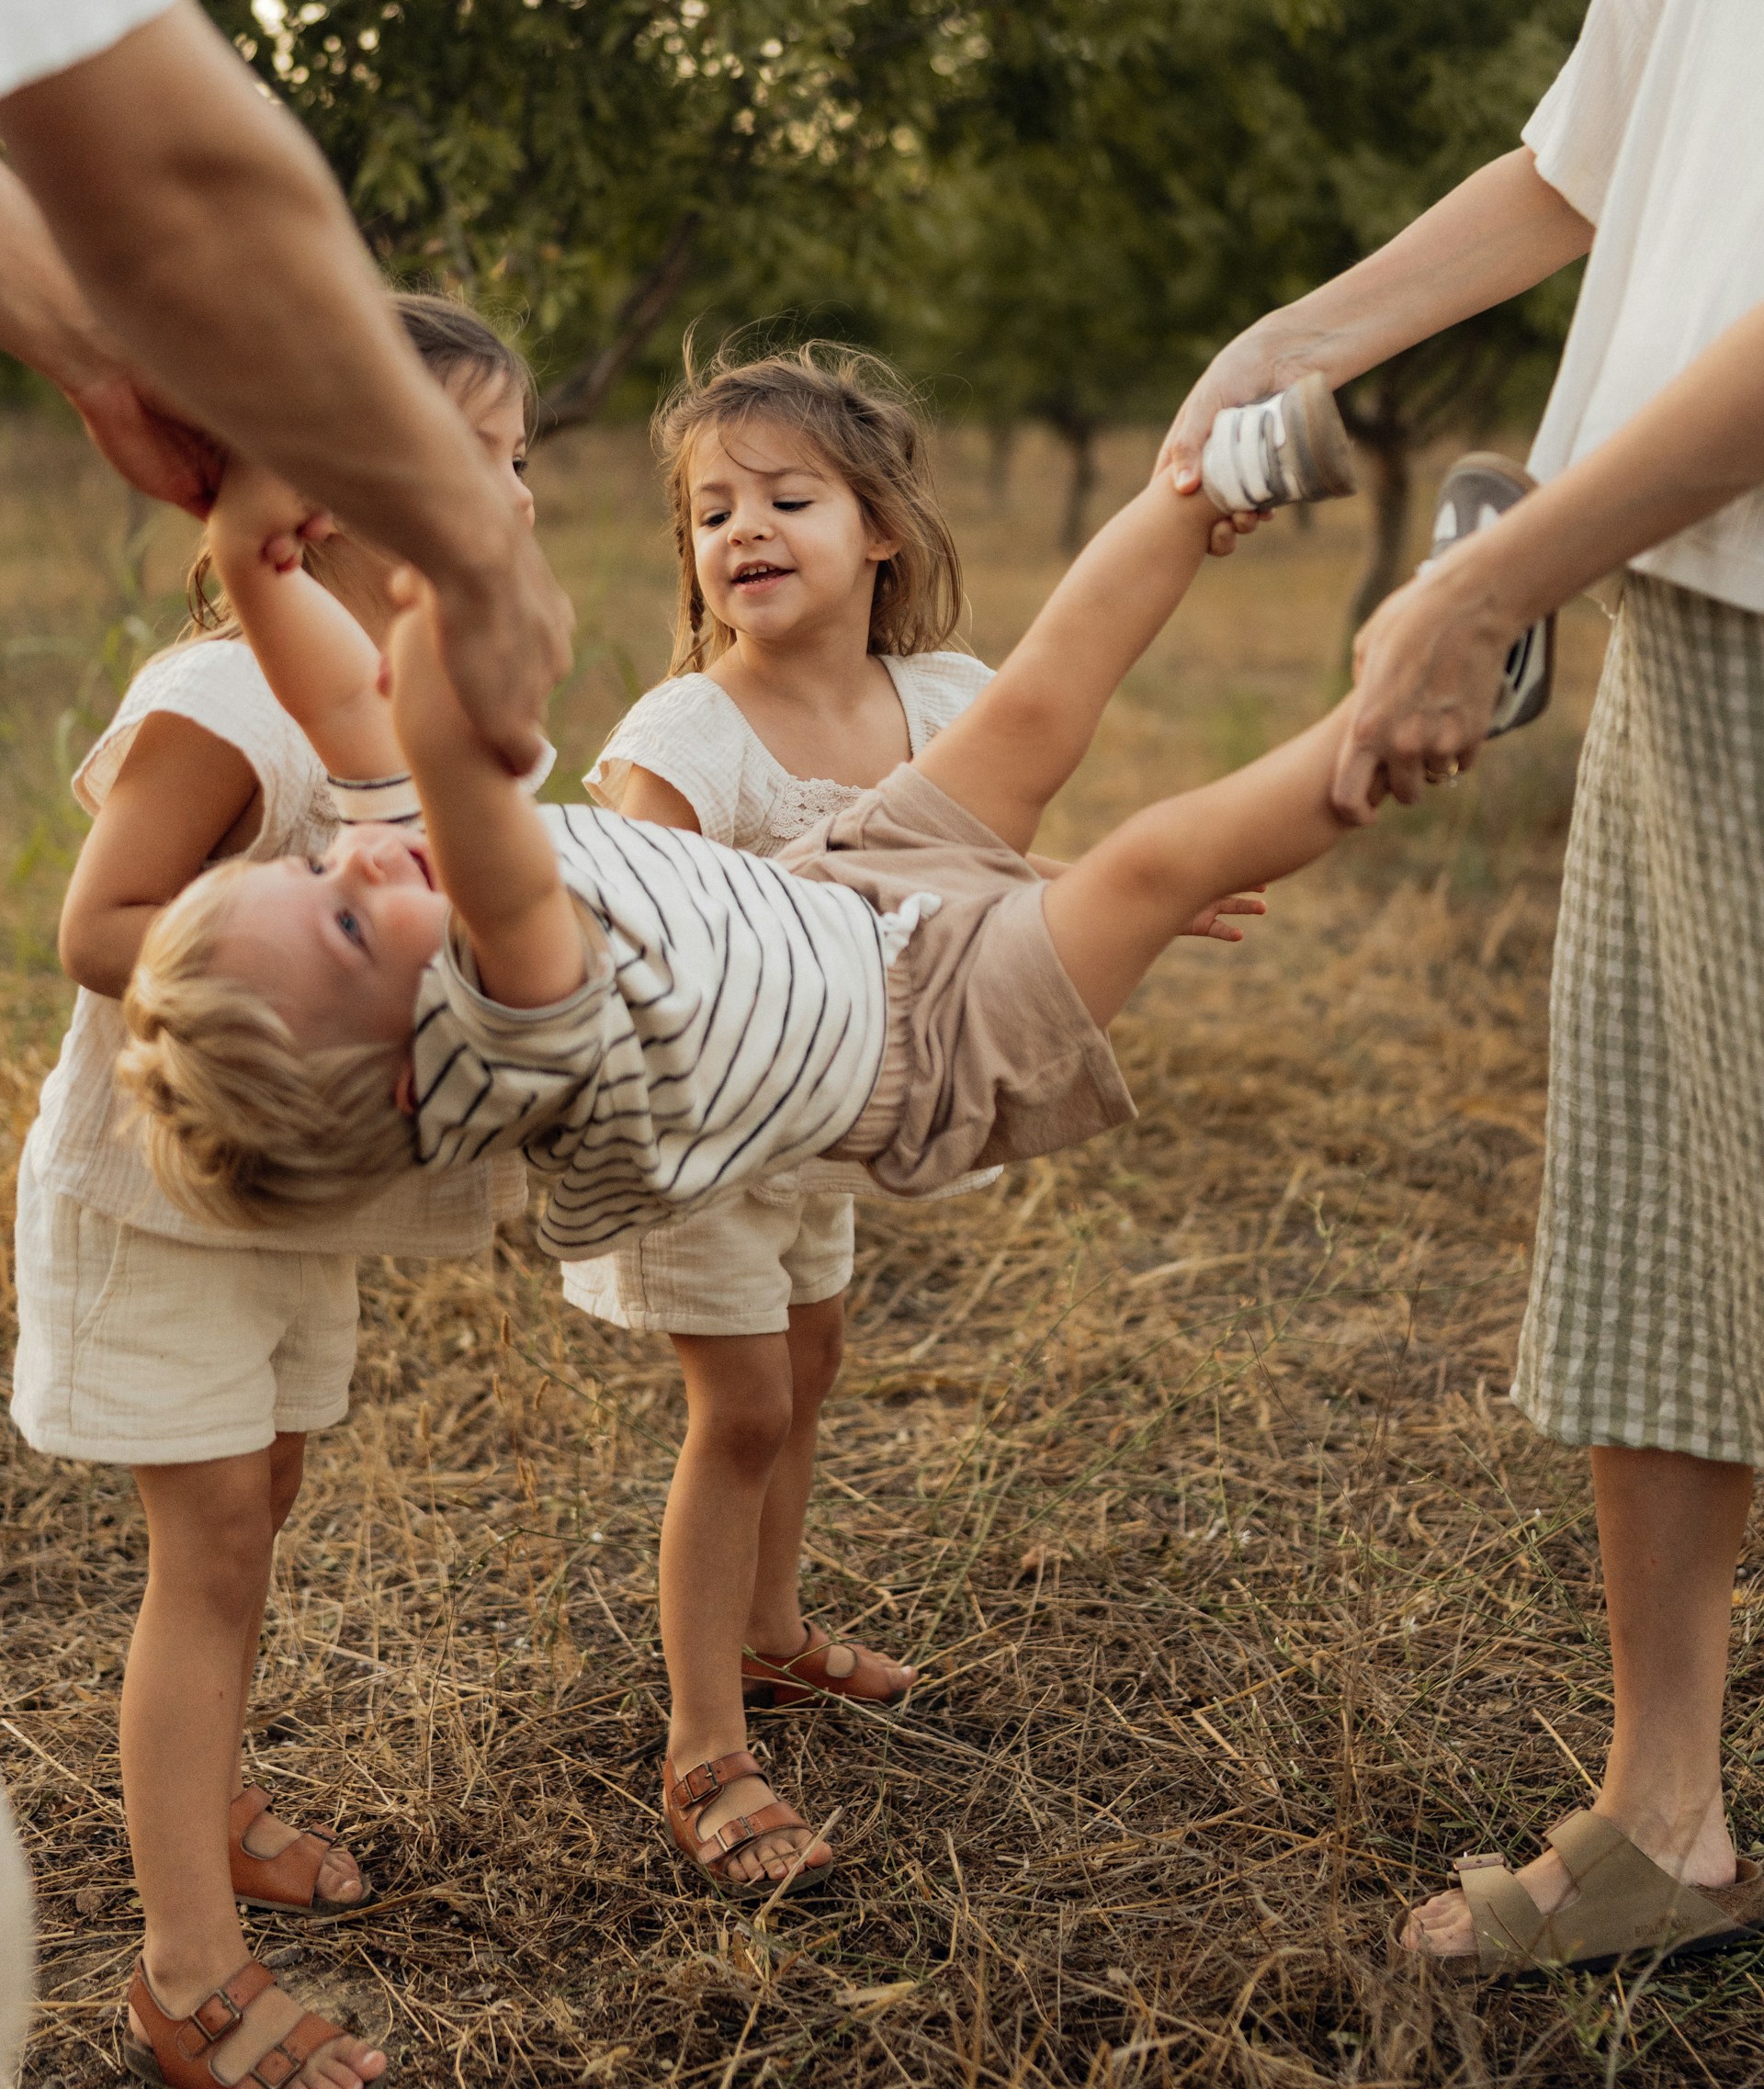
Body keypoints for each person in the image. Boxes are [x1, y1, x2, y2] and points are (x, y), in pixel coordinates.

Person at [120, 401, 1397, 1898]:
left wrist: (250, 555)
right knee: (1158, 859)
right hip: (922, 1041)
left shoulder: (417, 893)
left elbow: (354, 730)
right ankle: (1414, 712)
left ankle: (1213, 476)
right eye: (342, 913)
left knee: (1043, 699)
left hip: (846, 898)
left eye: (327, 859)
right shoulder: (512, 1003)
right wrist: (444, 591)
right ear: (409, 1066)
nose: (354, 849)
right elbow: (438, 766)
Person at [1167, 0, 1764, 1977]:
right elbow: (1582, 162)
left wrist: (1488, 586)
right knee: (1674, 1210)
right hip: (1692, 587)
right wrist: (1299, 339)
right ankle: (1660, 1816)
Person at [571, 344, 1267, 1888]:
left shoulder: (942, 699)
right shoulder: (683, 736)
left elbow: (960, 876)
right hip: (698, 1132)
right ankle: (704, 1749)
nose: (742, 528)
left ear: (881, 527)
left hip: (833, 1119)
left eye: (787, 497)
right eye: (710, 510)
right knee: (740, 1408)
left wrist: (1112, 906)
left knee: (811, 1368)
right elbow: (624, 923)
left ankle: (771, 1632)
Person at [11, 299, 541, 2089]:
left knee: (271, 1500)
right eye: (467, 467)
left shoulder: (412, 703)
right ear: (319, 503)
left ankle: (208, 1787)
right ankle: (182, 1961)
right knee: (214, 1547)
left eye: (515, 464)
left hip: (298, 1208)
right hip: (166, 1202)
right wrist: (292, 926)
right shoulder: (234, 700)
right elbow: (95, 932)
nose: (511, 499)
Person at [0, 0, 572, 758]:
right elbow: (190, 178)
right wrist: (474, 550)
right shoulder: (231, 698)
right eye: (466, 448)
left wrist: (104, 358)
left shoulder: (399, 683)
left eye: (515, 458)